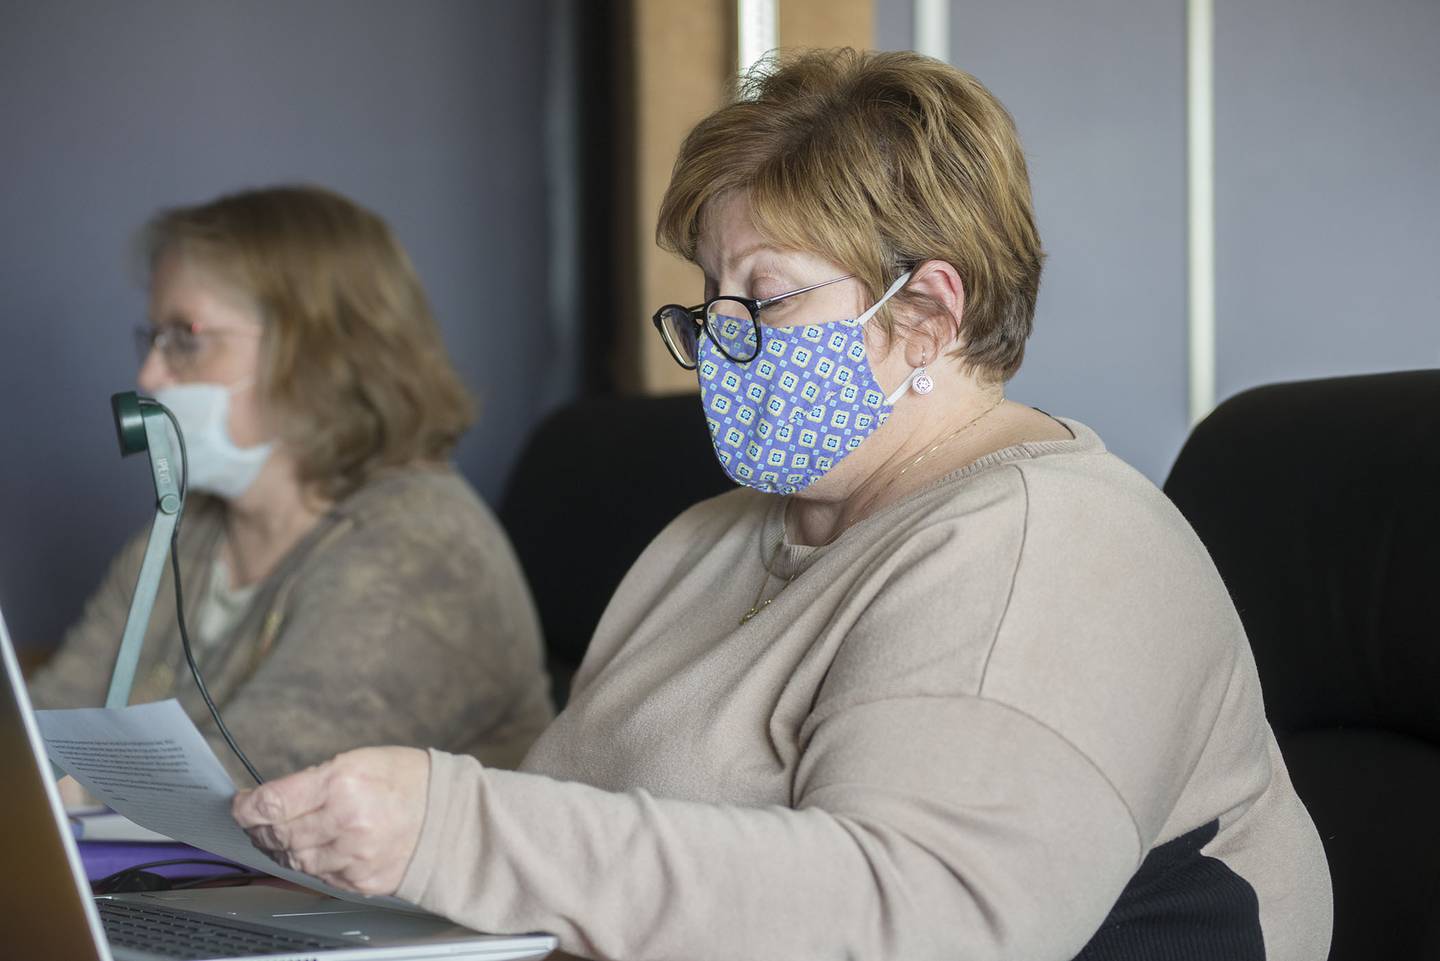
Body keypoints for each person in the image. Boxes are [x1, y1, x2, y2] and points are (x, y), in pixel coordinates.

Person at [232, 52, 1332, 960]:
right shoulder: (709, 538)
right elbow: (561, 847)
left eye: (761, 296)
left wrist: (453, 829)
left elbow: (921, 918)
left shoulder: (1048, 547)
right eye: (710, 298)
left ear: (925, 316)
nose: (718, 341)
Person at [28, 185, 552, 784]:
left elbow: (244, 797)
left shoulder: (424, 549)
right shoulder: (191, 526)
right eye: (153, 338)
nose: (149, 374)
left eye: (187, 337)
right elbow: (48, 722)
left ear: (317, 350)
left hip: (299, 878)